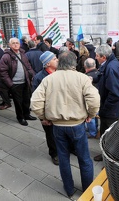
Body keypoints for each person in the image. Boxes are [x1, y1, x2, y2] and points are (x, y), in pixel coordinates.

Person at [31, 51, 100, 198]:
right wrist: (91, 115)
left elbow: (35, 102)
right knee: (85, 159)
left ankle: (69, 190)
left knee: (63, 158)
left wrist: (44, 117)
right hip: (77, 124)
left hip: (58, 126)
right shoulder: (82, 78)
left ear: (60, 64)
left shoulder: (49, 79)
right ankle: (87, 190)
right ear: (74, 63)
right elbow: (94, 100)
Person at [93, 44, 119, 161]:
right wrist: (93, 79)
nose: (95, 58)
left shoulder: (111, 67)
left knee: (109, 136)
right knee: (106, 135)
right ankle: (106, 155)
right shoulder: (109, 64)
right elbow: (102, 76)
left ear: (104, 57)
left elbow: (115, 93)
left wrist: (105, 109)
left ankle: (110, 159)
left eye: (97, 56)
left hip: (111, 110)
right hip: (110, 108)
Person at [0, 37, 35, 126]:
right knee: (18, 103)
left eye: (17, 43)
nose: (16, 44)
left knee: (26, 100)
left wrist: (32, 75)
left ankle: (27, 115)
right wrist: (10, 84)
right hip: (15, 84)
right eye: (13, 43)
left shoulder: (23, 54)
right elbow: (2, 71)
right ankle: (20, 117)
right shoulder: (6, 56)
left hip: (25, 82)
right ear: (10, 45)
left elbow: (28, 66)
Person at [31, 51, 59, 165]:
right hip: (48, 112)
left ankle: (69, 148)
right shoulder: (39, 78)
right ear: (47, 64)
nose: (57, 60)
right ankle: (54, 153)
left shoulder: (60, 73)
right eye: (54, 59)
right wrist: (43, 117)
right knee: (51, 134)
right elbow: (36, 99)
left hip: (60, 110)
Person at [84, 58, 99, 138]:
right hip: (99, 98)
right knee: (95, 115)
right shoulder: (99, 73)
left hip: (91, 99)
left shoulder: (86, 77)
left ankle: (92, 132)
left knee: (91, 116)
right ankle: (94, 129)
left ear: (85, 66)